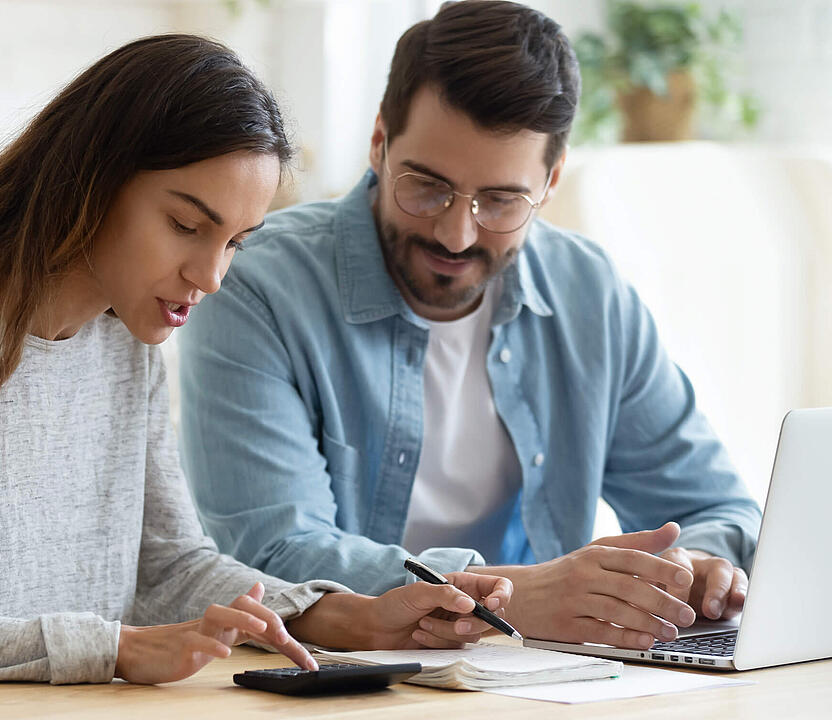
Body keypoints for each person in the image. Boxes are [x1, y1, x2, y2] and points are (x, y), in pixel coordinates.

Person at [0, 34, 514, 685]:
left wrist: (347, 615)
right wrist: (113, 649)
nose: (210, 276)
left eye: (235, 241)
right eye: (186, 226)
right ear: (93, 182)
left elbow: (169, 566)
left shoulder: (125, 336)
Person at [179, 1, 762, 652]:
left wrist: (692, 570)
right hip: (342, 679)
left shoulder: (588, 293)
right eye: (427, 187)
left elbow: (720, 509)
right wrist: (514, 593)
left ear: (550, 180)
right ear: (379, 142)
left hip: (538, 679)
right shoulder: (256, 285)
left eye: (501, 201)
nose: (456, 233)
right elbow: (272, 553)